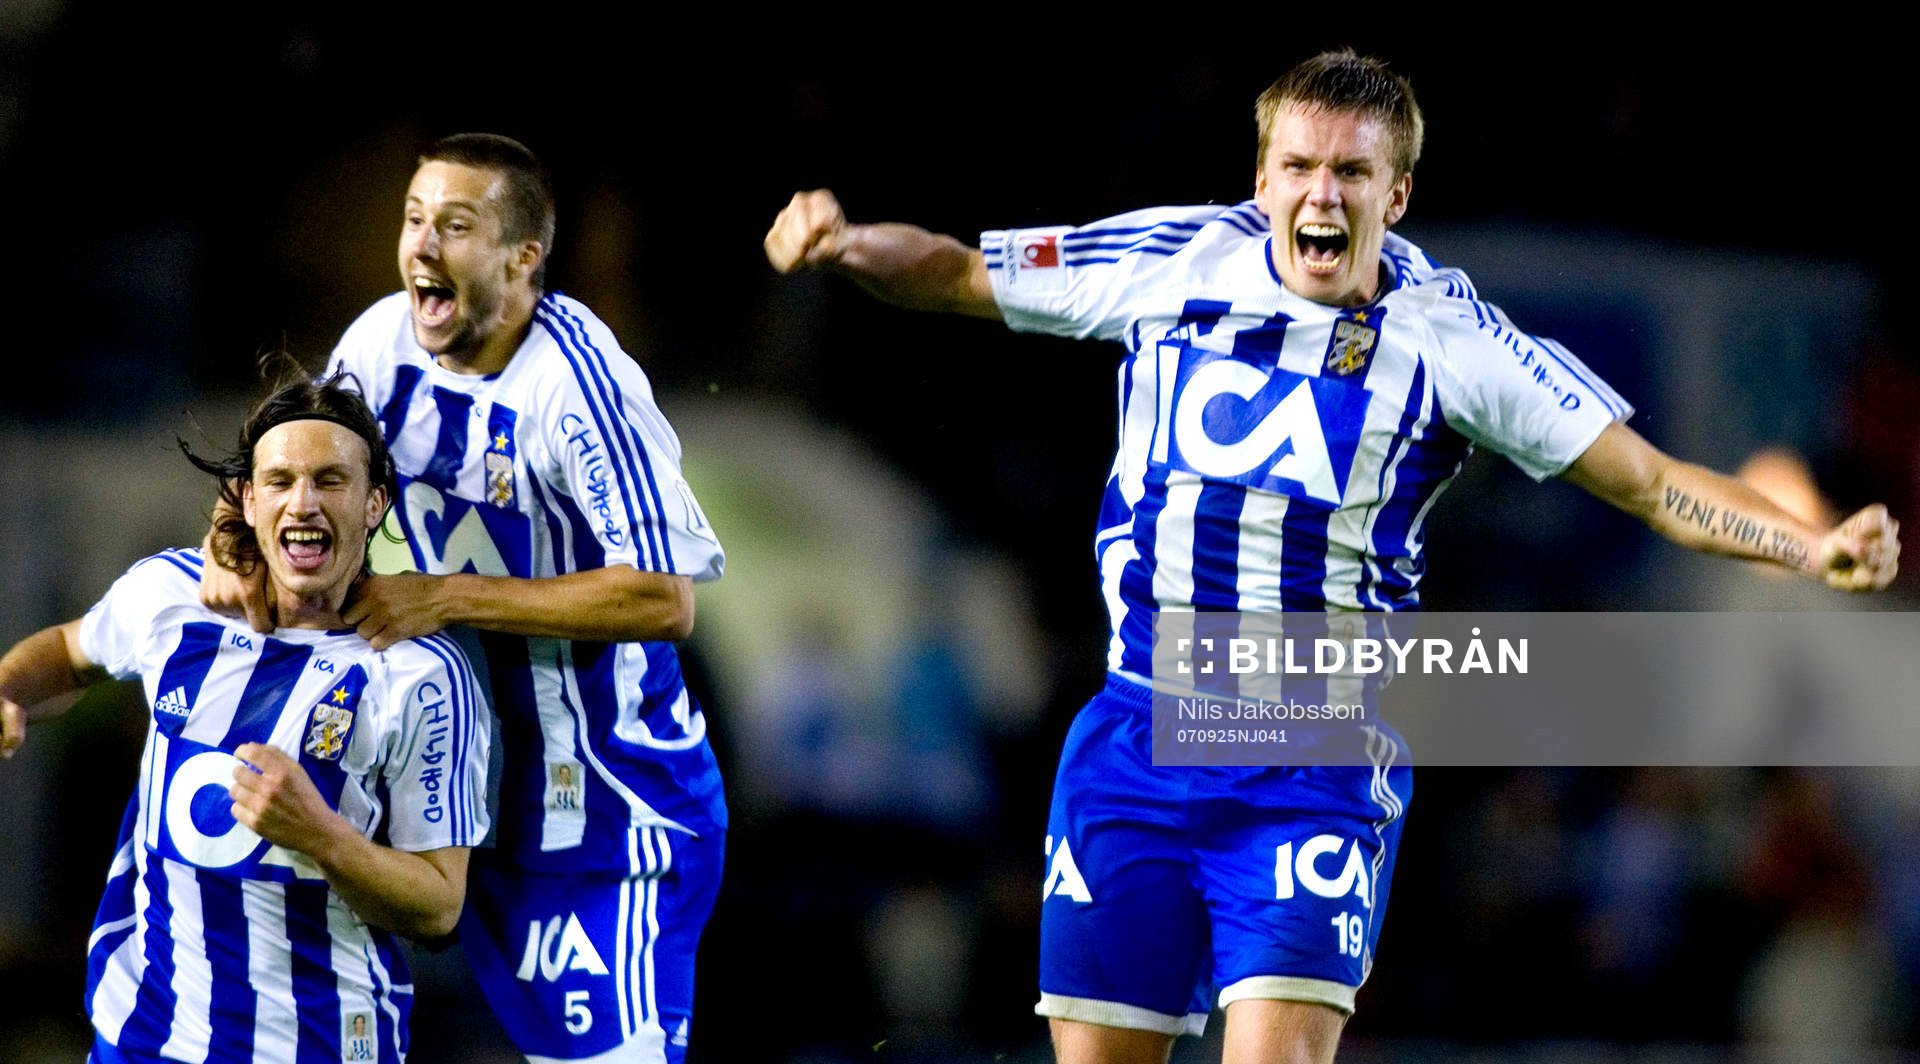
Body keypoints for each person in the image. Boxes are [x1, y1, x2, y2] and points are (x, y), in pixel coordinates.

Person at [763, 49, 1902, 1064]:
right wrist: (848, 241)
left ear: (1394, 196)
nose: (1321, 192)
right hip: (1136, 732)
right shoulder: (1176, 261)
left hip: (1313, 747)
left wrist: (1812, 547)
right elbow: (962, 272)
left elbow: (1651, 481)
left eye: (1351, 174)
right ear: (1262, 181)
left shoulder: (1451, 342)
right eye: (1299, 166)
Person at [204, 132, 726, 1063]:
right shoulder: (379, 339)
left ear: (524, 257)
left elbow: (664, 598)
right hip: (455, 799)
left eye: (455, 225)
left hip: (605, 814)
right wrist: (227, 533)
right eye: (414, 220)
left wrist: (446, 596)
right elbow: (296, 449)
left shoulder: (579, 388)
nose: (422, 247)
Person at [0, 372, 491, 1063]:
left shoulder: (421, 675)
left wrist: (321, 836)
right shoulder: (172, 595)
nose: (304, 502)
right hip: (144, 1035)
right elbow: (71, 652)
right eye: (282, 480)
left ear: (375, 503)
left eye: (330, 480)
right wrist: (11, 688)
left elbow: (439, 904)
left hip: (318, 1044)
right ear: (249, 500)